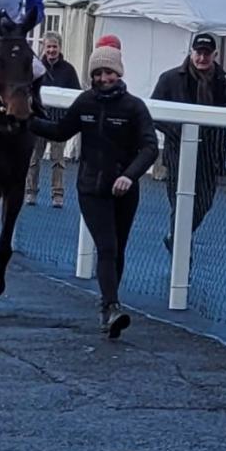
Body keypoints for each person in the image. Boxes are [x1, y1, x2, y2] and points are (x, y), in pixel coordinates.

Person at [30, 44, 158, 338]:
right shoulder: (85, 102)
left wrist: (129, 176)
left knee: (118, 249)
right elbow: (60, 132)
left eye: (109, 72)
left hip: (124, 189)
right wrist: (26, 121)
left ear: (119, 73)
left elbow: (149, 147)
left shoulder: (134, 107)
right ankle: (112, 306)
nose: (103, 78)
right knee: (107, 246)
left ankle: (107, 307)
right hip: (91, 187)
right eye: (98, 73)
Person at [151, 33, 226, 253]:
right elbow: (154, 113)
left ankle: (176, 238)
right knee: (179, 204)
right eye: (199, 52)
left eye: (207, 54)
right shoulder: (169, 79)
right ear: (191, 52)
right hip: (178, 153)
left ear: (214, 55)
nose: (202, 58)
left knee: (204, 203)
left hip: (208, 155)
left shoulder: (221, 81)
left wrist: (220, 158)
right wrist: (177, 132)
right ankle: (181, 253)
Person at [25, 32, 81, 207]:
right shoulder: (35, 69)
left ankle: (58, 195)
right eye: (48, 46)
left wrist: (69, 121)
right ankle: (30, 193)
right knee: (33, 159)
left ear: (60, 48)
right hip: (38, 122)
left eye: (54, 46)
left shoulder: (69, 70)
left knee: (58, 162)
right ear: (43, 47)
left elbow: (76, 96)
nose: (51, 50)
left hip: (59, 124)